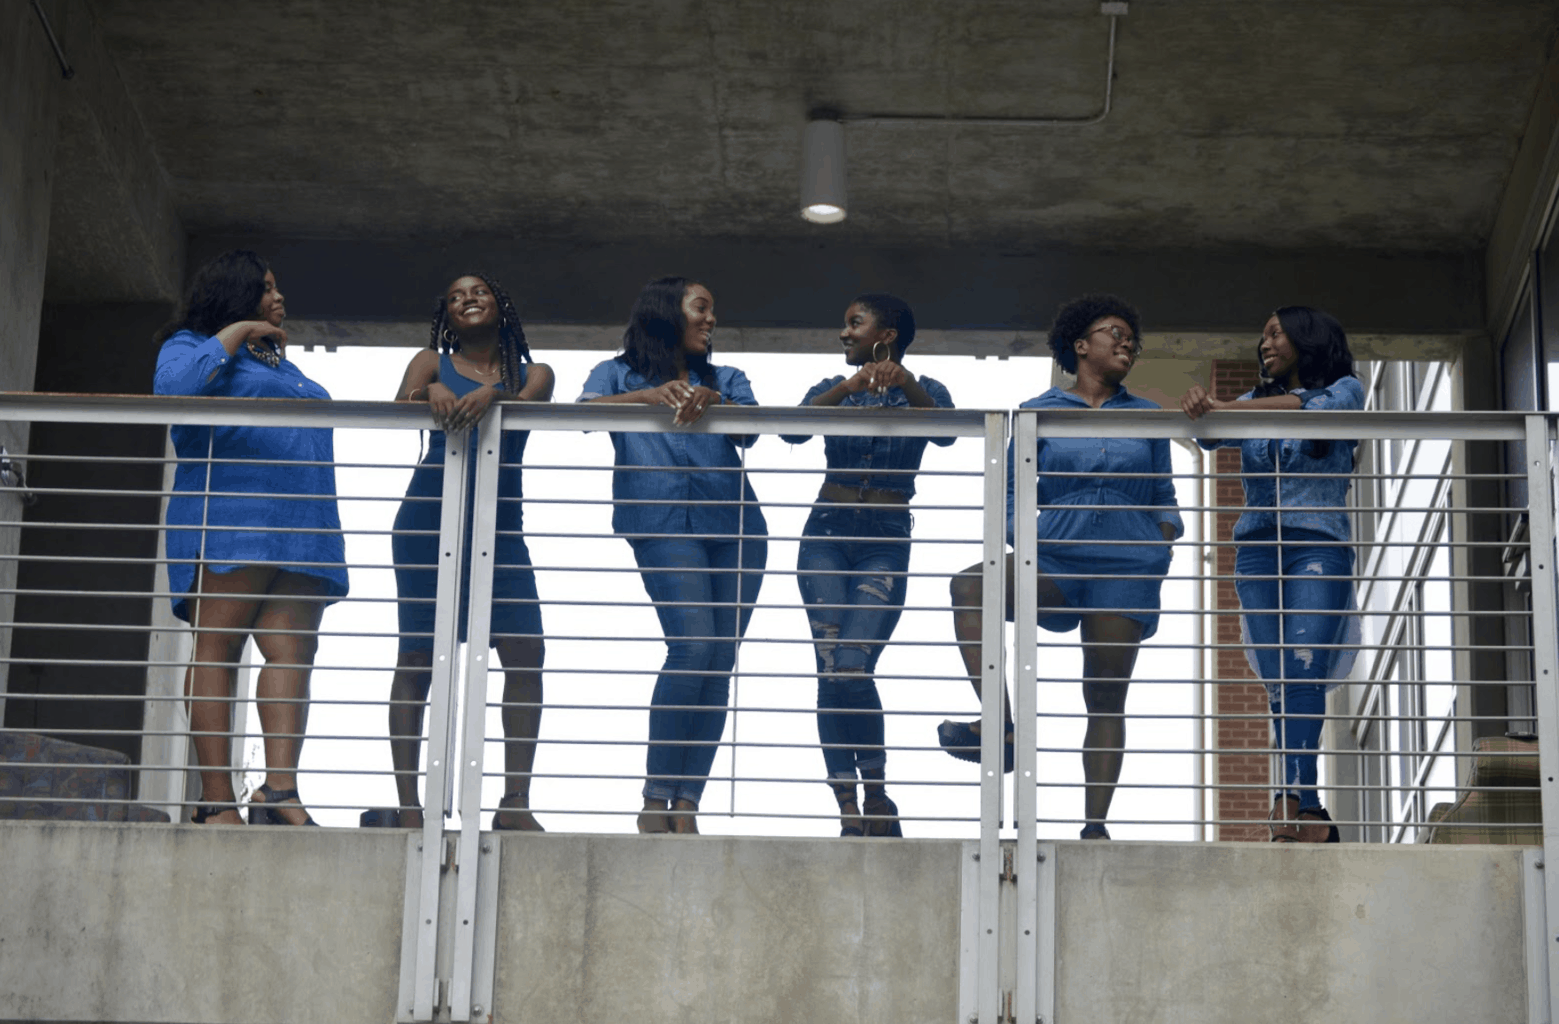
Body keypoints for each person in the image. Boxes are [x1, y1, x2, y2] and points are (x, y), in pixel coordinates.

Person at [944, 294, 1181, 840]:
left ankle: (1095, 828)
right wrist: (1025, 541)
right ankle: (999, 726)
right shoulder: (1038, 412)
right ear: (1080, 345)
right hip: (1054, 558)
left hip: (1127, 568)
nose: (1126, 343)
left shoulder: (1147, 416)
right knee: (970, 587)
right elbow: (1011, 495)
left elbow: (1163, 499)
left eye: (1131, 339)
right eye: (1114, 333)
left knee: (1105, 697)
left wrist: (1160, 547)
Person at [154, 249, 349, 826]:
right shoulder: (190, 345)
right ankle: (216, 801)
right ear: (235, 294)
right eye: (265, 288)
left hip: (300, 529)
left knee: (294, 653)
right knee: (219, 647)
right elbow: (174, 389)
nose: (278, 297)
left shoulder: (283, 367)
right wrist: (238, 331)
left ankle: (279, 793)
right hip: (231, 521)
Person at [579, 276, 768, 834]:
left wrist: (717, 401)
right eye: (700, 308)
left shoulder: (726, 378)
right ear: (667, 312)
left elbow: (753, 431)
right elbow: (585, 413)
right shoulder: (615, 373)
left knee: (718, 662)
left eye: (712, 311)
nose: (711, 320)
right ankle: (655, 798)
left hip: (737, 527)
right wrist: (643, 398)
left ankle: (687, 803)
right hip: (659, 520)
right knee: (693, 646)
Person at [1181, 306, 1362, 843]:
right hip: (1257, 547)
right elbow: (1210, 436)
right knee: (1278, 678)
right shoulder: (1252, 400)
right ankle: (1305, 809)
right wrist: (1200, 404)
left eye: (1275, 333)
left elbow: (1313, 407)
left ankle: (1294, 801)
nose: (1264, 344)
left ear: (1307, 339)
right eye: (1262, 335)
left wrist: (1225, 408)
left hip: (1317, 541)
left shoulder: (1346, 389)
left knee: (1304, 666)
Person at [780, 294, 954, 837]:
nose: (844, 333)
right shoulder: (833, 386)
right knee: (830, 666)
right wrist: (847, 389)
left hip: (885, 539)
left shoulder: (927, 388)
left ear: (888, 332)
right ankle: (849, 810)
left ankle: (876, 793)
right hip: (826, 534)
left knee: (852, 665)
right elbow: (792, 430)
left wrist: (905, 383)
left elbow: (947, 431)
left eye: (854, 323)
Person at [389, 274, 555, 831]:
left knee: (527, 652)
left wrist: (493, 395)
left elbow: (526, 403)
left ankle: (514, 804)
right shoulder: (430, 362)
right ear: (447, 315)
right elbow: (400, 404)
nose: (467, 299)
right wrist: (428, 392)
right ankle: (410, 807)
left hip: (500, 529)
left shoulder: (533, 372)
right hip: (426, 522)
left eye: (478, 291)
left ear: (501, 305)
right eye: (456, 296)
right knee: (418, 657)